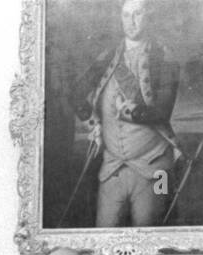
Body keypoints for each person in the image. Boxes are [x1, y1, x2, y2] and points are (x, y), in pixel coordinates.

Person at [71, 0, 181, 228]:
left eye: (137, 14)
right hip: (112, 168)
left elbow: (162, 112)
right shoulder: (108, 57)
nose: (131, 21)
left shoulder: (165, 58)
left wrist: (129, 111)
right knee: (104, 233)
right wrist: (94, 125)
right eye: (126, 15)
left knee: (152, 231)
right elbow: (76, 94)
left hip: (154, 169)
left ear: (148, 15)